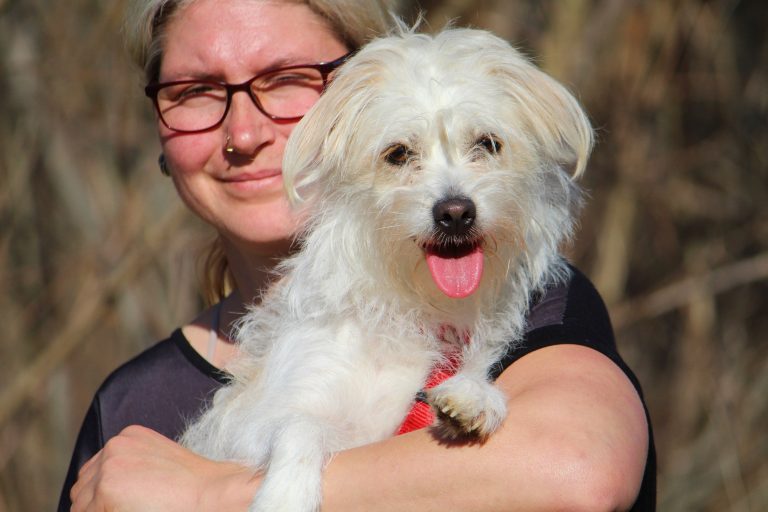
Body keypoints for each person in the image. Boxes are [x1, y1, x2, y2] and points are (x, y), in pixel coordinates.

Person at [60, 0, 656, 510]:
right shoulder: (128, 406)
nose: (243, 134)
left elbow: (579, 470)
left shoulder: (535, 304)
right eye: (196, 91)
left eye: (284, 78)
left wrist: (210, 494)